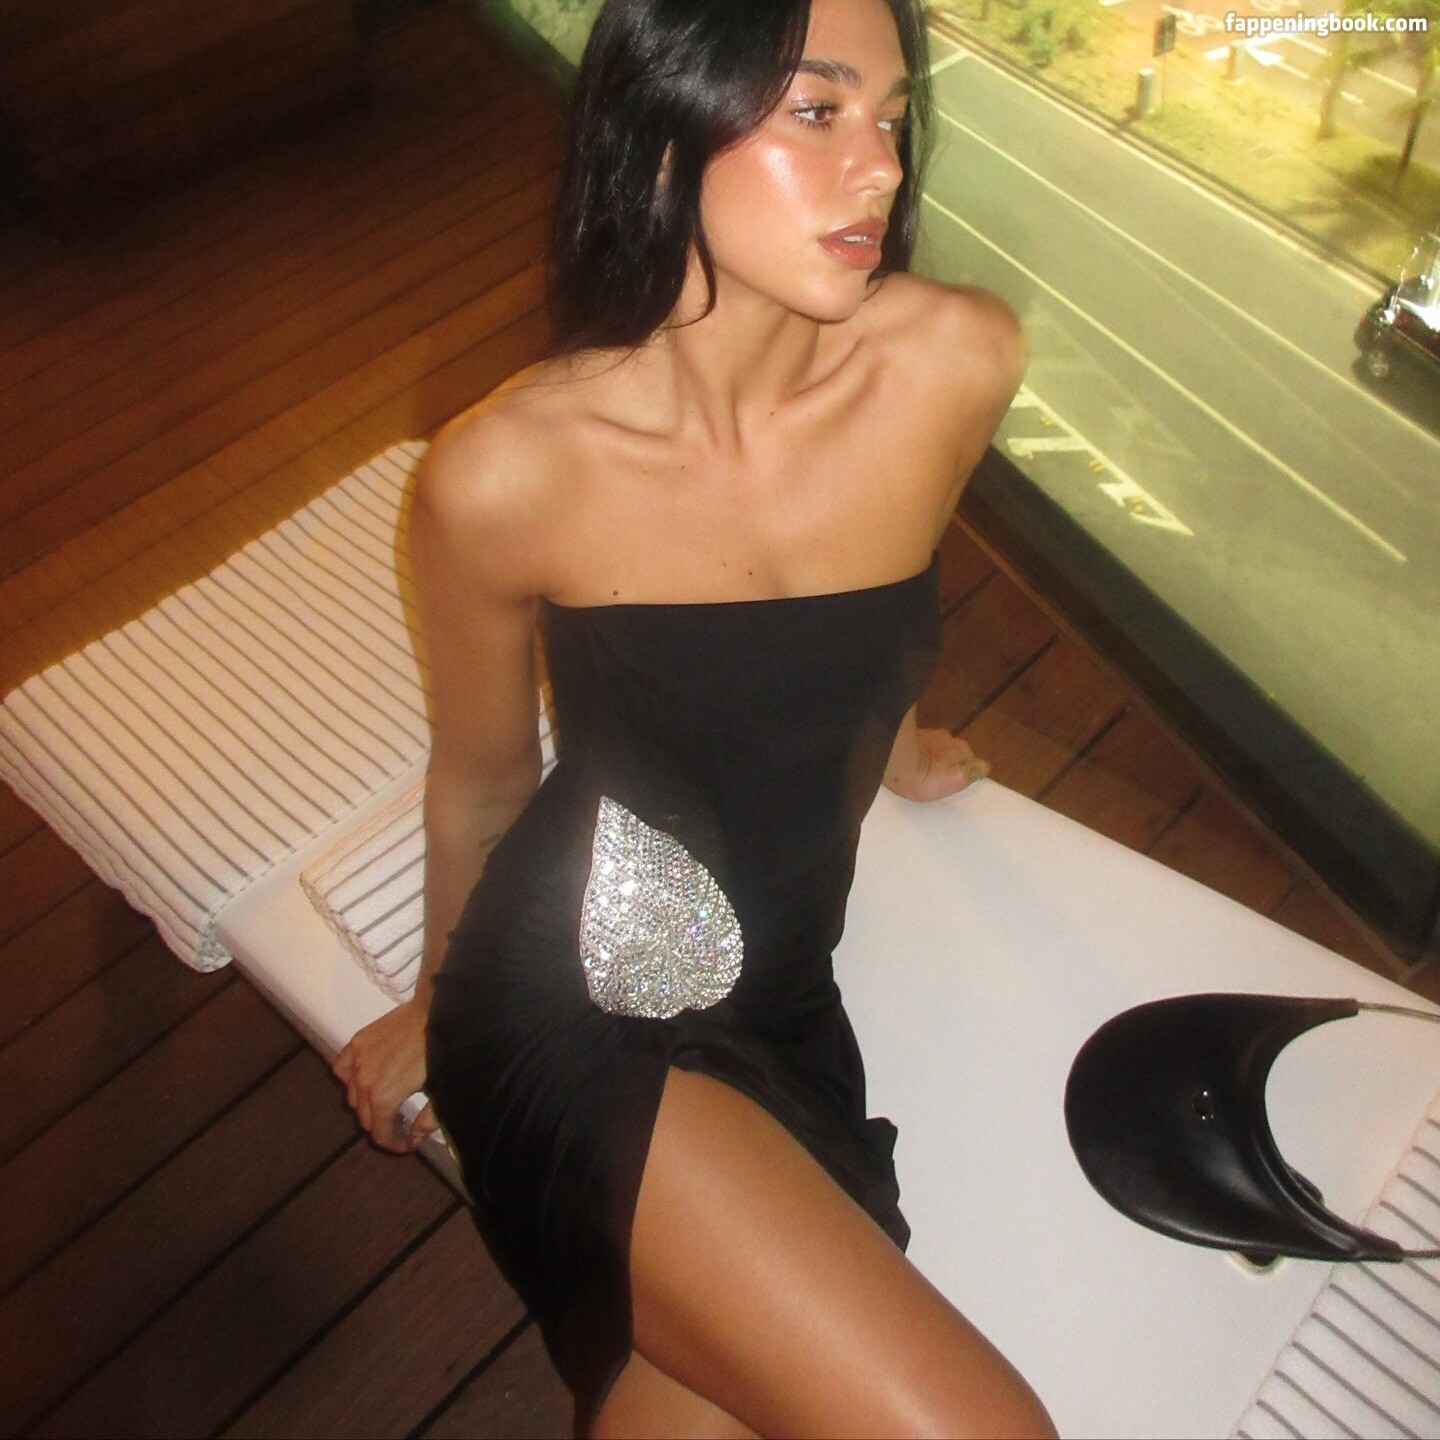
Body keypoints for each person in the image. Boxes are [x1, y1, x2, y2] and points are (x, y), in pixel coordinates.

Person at [331, 0, 1054, 1433]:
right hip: (578, 994)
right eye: (817, 111)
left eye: (892, 118)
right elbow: (482, 785)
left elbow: (883, 604)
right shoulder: (508, 473)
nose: (881, 166)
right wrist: (434, 1000)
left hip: (783, 999)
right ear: (663, 130)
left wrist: (898, 746)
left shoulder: (953, 363)